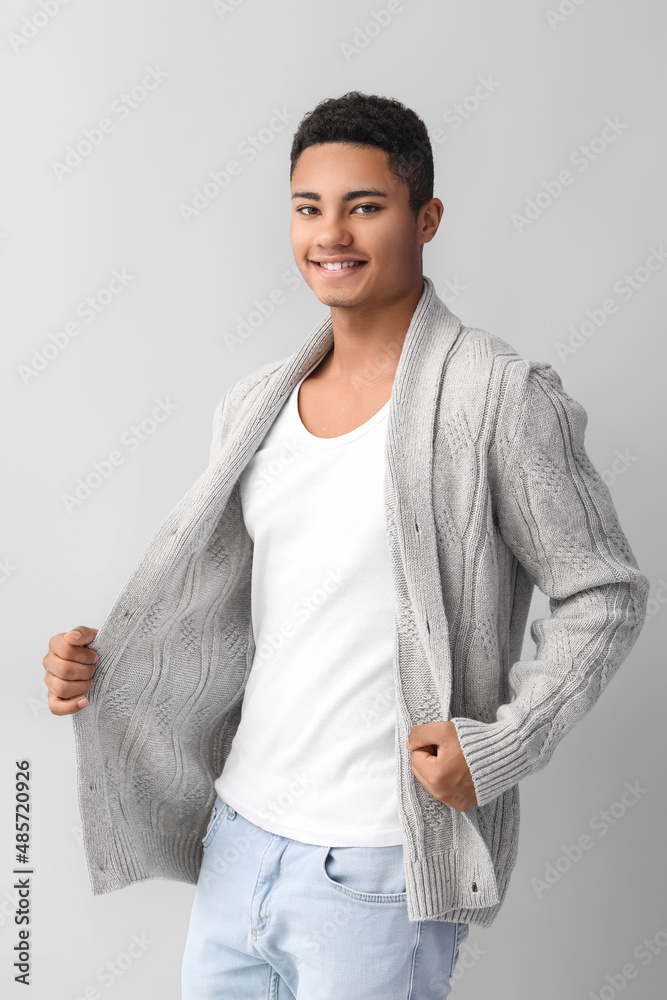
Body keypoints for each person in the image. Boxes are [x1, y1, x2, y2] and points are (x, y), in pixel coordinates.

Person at [42, 92, 649, 999]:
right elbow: (239, 620)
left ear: (424, 216)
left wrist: (505, 744)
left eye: (364, 205)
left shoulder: (500, 397)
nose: (331, 233)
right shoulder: (252, 406)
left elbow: (604, 591)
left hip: (377, 867)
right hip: (238, 840)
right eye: (307, 207)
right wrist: (105, 669)